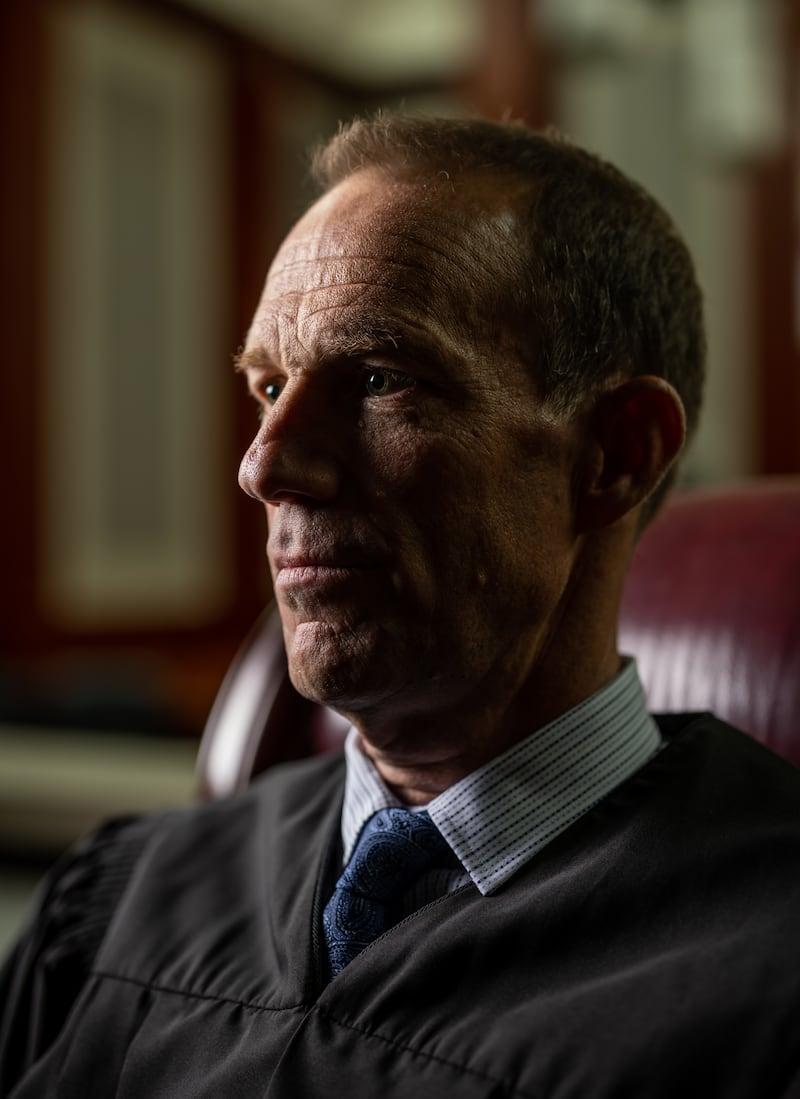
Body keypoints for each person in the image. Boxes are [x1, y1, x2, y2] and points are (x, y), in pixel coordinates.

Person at [2, 113, 799, 1099]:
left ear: (615, 452)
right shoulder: (123, 897)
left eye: (379, 378)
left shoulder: (768, 980)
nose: (265, 466)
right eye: (267, 387)